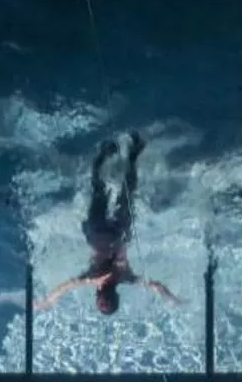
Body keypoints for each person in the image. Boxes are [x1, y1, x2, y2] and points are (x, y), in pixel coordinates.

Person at [36, 133, 180, 317]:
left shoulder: (120, 278)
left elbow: (156, 286)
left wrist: (172, 299)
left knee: (121, 193)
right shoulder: (94, 279)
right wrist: (49, 301)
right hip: (102, 235)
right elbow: (65, 287)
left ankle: (127, 154)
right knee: (102, 191)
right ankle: (108, 154)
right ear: (102, 296)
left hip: (113, 234)